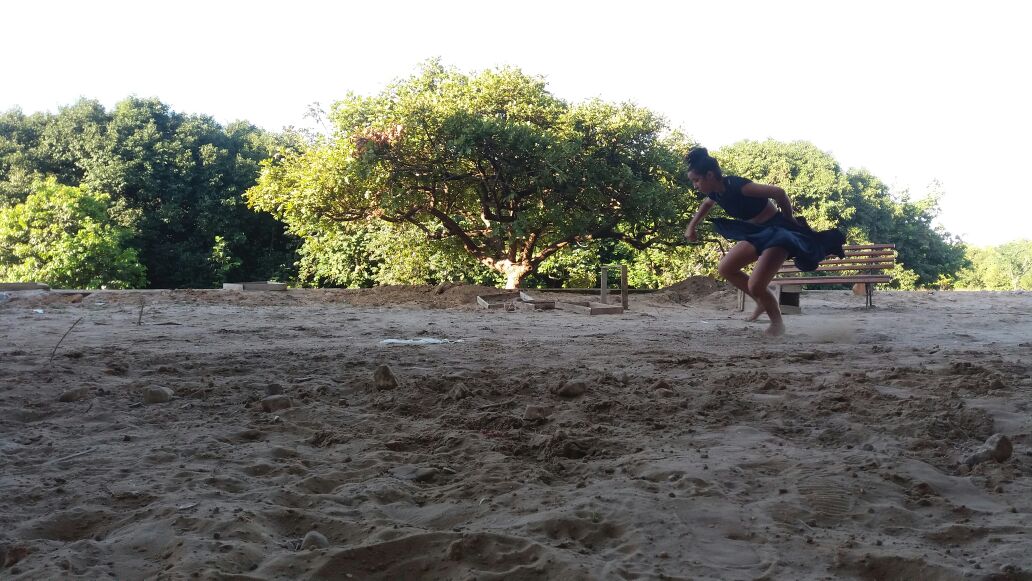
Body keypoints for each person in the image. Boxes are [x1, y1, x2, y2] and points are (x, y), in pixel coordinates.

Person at [683, 147, 845, 336]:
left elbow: (779, 192)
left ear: (710, 175)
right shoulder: (716, 193)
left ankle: (777, 324)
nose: (695, 185)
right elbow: (706, 204)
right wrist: (691, 226)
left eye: (696, 180)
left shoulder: (739, 186)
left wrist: (789, 219)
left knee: (756, 285)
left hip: (778, 233)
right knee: (726, 268)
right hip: (757, 233)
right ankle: (761, 300)